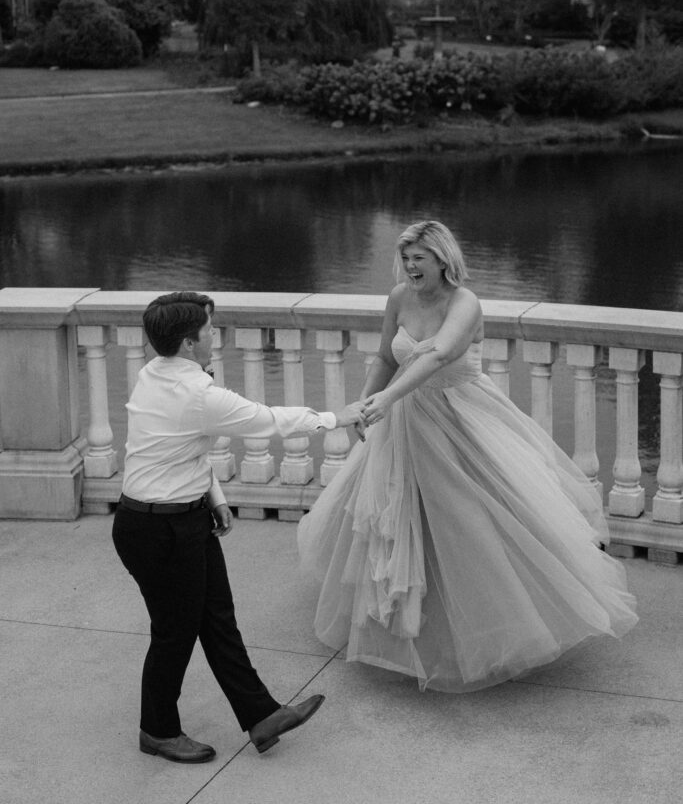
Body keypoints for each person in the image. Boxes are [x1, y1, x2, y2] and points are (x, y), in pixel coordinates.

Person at [298, 220, 638, 692]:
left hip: (460, 417)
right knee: (396, 519)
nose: (410, 266)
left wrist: (388, 400)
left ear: (442, 259)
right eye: (406, 257)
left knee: (467, 522)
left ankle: (491, 630)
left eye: (419, 257)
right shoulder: (398, 297)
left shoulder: (465, 302)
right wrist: (362, 406)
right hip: (402, 421)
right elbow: (385, 358)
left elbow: (436, 354)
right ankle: (406, 628)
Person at [112, 291, 363, 763]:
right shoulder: (195, 393)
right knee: (175, 631)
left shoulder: (154, 373)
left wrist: (215, 497)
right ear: (189, 343)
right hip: (157, 531)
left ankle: (261, 715)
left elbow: (182, 446)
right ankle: (157, 730)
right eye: (209, 330)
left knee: (217, 620)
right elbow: (265, 421)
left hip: (180, 519)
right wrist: (335, 417)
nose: (215, 337)